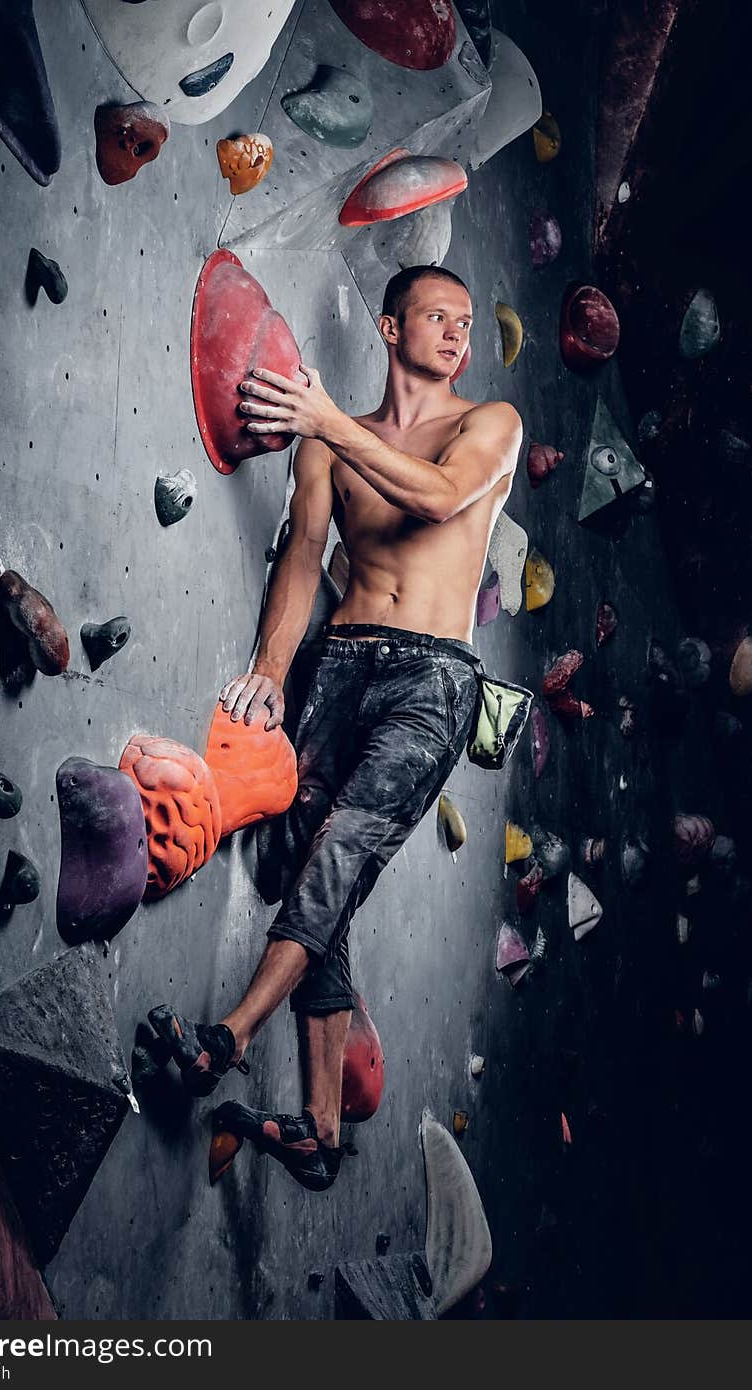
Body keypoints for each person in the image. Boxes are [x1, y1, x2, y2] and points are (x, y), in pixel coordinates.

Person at [148, 265, 522, 1191]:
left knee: (343, 848)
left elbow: (438, 498)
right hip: (342, 663)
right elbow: (304, 559)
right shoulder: (325, 444)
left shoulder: (490, 424)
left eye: (467, 322)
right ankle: (319, 1127)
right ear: (392, 329)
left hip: (434, 678)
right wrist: (273, 673)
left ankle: (230, 1033)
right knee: (315, 858)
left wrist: (325, 422)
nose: (457, 335)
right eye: (438, 316)